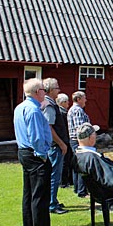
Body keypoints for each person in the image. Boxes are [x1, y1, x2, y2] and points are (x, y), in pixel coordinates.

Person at [13, 78, 58, 226]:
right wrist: (42, 155)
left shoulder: (20, 108)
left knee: (29, 193)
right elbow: (36, 136)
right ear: (38, 92)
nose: (45, 93)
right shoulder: (33, 110)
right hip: (35, 155)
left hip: (24, 153)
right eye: (43, 91)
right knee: (40, 194)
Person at [72, 123, 113, 200]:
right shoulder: (91, 157)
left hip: (96, 191)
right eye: (95, 134)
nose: (96, 136)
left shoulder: (78, 155)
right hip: (107, 191)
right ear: (91, 137)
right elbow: (110, 179)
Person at [41, 78, 69, 215]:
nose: (59, 89)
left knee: (54, 175)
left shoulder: (49, 103)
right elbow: (49, 128)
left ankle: (53, 200)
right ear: (51, 90)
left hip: (54, 146)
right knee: (54, 176)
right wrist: (61, 143)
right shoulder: (49, 106)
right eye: (57, 87)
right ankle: (51, 203)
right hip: (54, 147)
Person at [67, 91, 91, 198]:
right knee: (82, 165)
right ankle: (81, 191)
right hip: (78, 141)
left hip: (74, 140)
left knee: (77, 165)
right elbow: (80, 129)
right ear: (78, 99)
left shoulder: (74, 109)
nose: (86, 100)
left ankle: (77, 188)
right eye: (84, 98)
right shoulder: (77, 110)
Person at [56, 93, 74, 188]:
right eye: (67, 102)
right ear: (62, 103)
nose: (68, 103)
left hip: (65, 139)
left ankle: (65, 180)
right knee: (64, 161)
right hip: (64, 139)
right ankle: (63, 181)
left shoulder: (63, 112)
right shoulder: (61, 113)